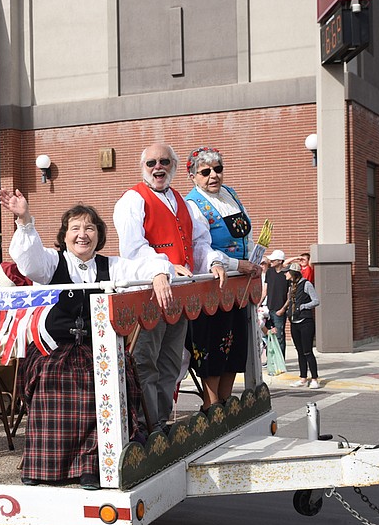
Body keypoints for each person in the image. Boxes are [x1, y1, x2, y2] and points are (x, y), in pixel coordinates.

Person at [0, 188, 175, 489]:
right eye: (75, 228)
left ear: (99, 235)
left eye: (90, 228)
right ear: (65, 235)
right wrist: (25, 219)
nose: (83, 234)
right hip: (55, 349)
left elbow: (150, 264)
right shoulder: (52, 262)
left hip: (98, 348)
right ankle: (42, 466)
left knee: (103, 377)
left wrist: (159, 274)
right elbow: (29, 262)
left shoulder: (112, 266)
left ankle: (90, 466)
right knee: (51, 376)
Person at [113, 143, 229, 432]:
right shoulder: (132, 199)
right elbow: (133, 247)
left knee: (170, 363)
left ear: (174, 165)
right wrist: (162, 266)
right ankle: (144, 425)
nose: (157, 167)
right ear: (143, 167)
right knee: (145, 362)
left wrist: (214, 262)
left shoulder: (184, 202)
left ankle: (161, 422)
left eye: (164, 161)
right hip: (149, 294)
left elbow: (200, 243)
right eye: (151, 162)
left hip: (179, 295)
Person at [183, 147, 259, 411]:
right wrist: (238, 263)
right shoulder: (193, 204)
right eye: (205, 172)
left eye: (217, 169)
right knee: (214, 343)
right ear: (192, 175)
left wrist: (255, 259)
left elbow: (245, 235)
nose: (213, 176)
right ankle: (211, 404)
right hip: (214, 283)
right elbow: (199, 248)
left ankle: (225, 401)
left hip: (239, 283)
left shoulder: (231, 195)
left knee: (235, 344)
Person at [284, 263, 321, 388]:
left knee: (307, 351)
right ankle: (303, 378)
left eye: (287, 271)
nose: (285, 274)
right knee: (299, 351)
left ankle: (315, 378)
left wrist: (303, 307)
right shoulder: (291, 286)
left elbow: (316, 301)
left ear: (293, 273)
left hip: (305, 322)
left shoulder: (306, 284)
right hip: (294, 322)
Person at [263, 250, 290, 356]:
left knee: (279, 336)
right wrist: (259, 304)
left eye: (274, 260)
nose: (271, 261)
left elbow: (290, 294)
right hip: (268, 308)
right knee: (269, 335)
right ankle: (271, 360)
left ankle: (280, 361)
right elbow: (265, 290)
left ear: (280, 261)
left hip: (279, 309)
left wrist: (283, 309)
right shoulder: (269, 272)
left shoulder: (286, 274)